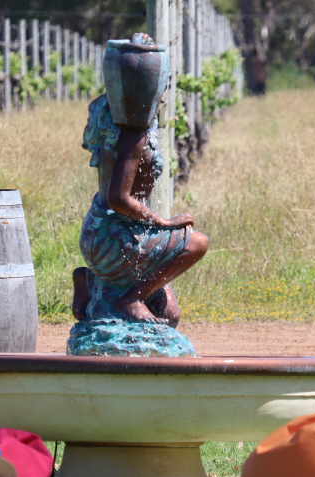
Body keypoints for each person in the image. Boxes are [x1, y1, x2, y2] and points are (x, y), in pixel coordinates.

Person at [72, 50, 208, 327]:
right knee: (197, 243)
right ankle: (129, 298)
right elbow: (118, 199)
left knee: (169, 315)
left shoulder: (111, 115)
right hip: (111, 237)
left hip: (104, 231)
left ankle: (91, 279)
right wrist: (164, 223)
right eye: (159, 87)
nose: (163, 96)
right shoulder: (133, 134)